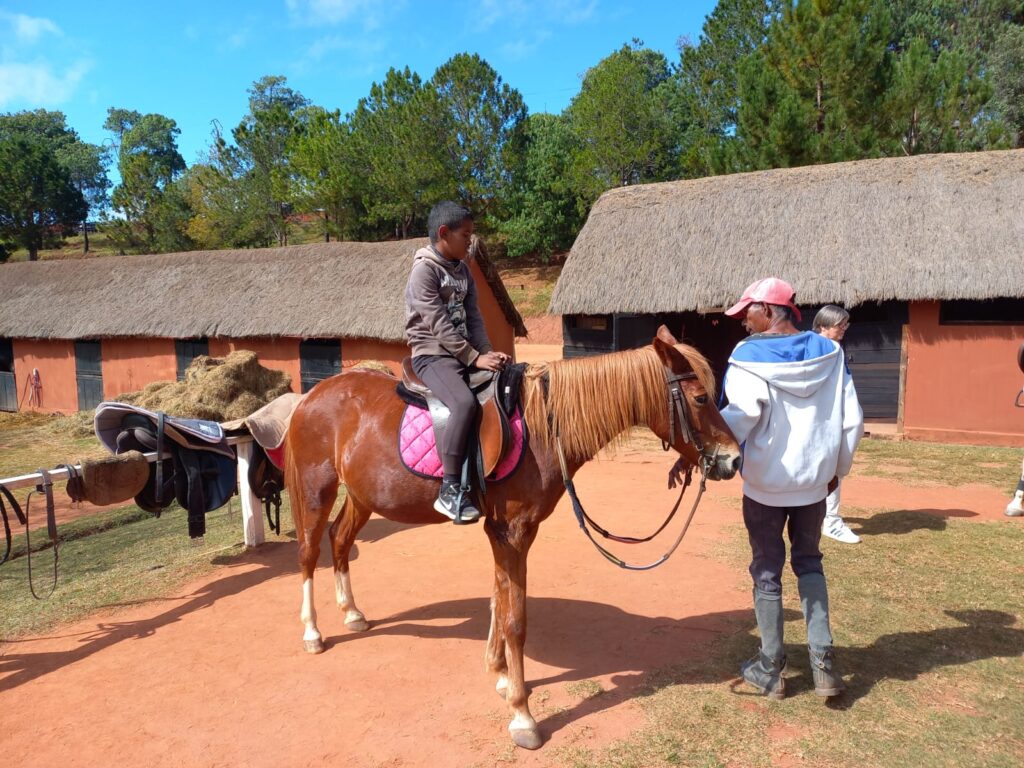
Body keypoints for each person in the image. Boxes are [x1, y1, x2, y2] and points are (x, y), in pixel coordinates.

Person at [718, 277, 863, 700]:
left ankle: (772, 667)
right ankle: (823, 666)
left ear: (768, 309)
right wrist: (836, 471)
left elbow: (741, 418)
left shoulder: (747, 357)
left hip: (765, 486)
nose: (744, 320)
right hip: (814, 486)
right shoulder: (832, 354)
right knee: (810, 564)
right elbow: (851, 421)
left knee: (766, 570)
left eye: (748, 311)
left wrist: (707, 446)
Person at [405, 201, 510, 524]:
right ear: (443, 233)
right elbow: (439, 324)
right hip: (432, 355)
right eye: (465, 235)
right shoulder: (424, 271)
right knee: (464, 403)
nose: (470, 242)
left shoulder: (463, 271)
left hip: (461, 353)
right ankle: (450, 490)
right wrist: (474, 358)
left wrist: (487, 353)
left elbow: (474, 317)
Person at [813, 305, 861, 544]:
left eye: (845, 325)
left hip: (832, 418)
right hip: (821, 420)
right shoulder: (819, 348)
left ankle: (829, 519)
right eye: (839, 325)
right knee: (828, 467)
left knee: (832, 467)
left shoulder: (835, 348)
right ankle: (829, 520)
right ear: (823, 326)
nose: (844, 329)